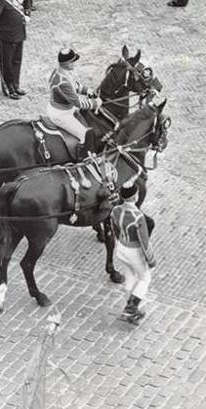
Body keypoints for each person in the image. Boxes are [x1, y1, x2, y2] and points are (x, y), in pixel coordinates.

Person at [110, 180, 154, 324]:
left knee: (130, 277)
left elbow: (115, 230)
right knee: (145, 278)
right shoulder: (138, 217)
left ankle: (129, 308)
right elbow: (144, 241)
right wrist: (151, 259)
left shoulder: (115, 211)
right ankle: (131, 309)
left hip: (121, 248)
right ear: (135, 197)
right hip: (133, 251)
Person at [45, 48, 101, 154]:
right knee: (84, 135)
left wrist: (87, 90)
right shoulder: (63, 83)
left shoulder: (60, 72)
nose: (75, 63)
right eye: (73, 61)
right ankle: (83, 159)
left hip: (60, 108)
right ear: (68, 64)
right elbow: (78, 103)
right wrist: (95, 103)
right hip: (61, 115)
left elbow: (74, 85)